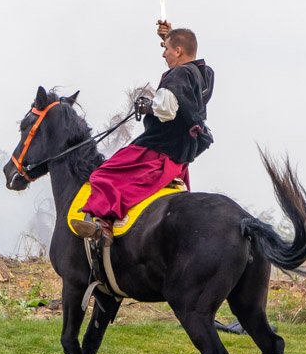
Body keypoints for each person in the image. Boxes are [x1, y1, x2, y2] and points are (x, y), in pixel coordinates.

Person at [70, 21, 215, 246]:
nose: (164, 54)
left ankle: (104, 224)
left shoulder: (177, 74)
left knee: (103, 175)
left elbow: (167, 110)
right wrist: (169, 36)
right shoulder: (205, 74)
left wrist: (148, 106)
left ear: (178, 51)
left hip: (157, 150)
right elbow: (186, 53)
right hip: (181, 156)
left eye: (167, 50)